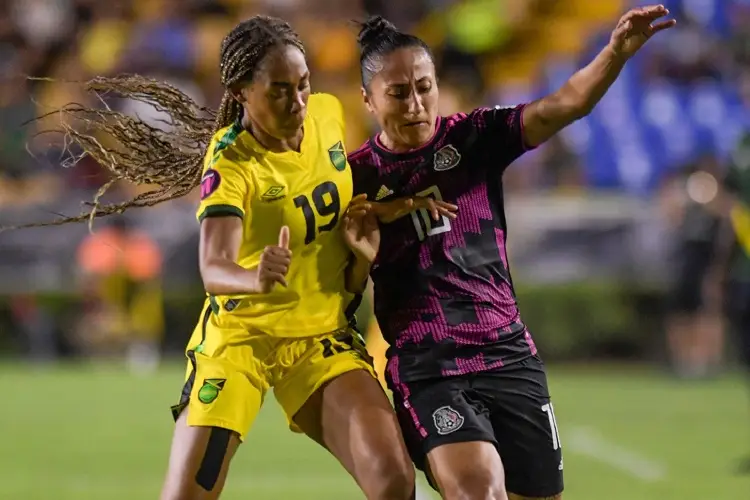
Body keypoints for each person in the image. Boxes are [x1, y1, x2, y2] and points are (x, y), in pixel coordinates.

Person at [21, 15, 436, 500]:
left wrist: (385, 212)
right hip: (241, 342)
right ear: (241, 92)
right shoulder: (231, 162)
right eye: (280, 90)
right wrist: (253, 276)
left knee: (393, 481)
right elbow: (213, 265)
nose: (298, 100)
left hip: (319, 338)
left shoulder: (328, 115)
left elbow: (346, 199)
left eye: (303, 84)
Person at [346, 7, 675, 500]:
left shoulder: (475, 137)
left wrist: (614, 55)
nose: (416, 103)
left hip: (507, 353)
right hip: (429, 365)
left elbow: (562, 104)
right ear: (368, 99)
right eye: (398, 92)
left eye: (424, 86)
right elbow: (337, 282)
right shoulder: (353, 180)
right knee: (479, 490)